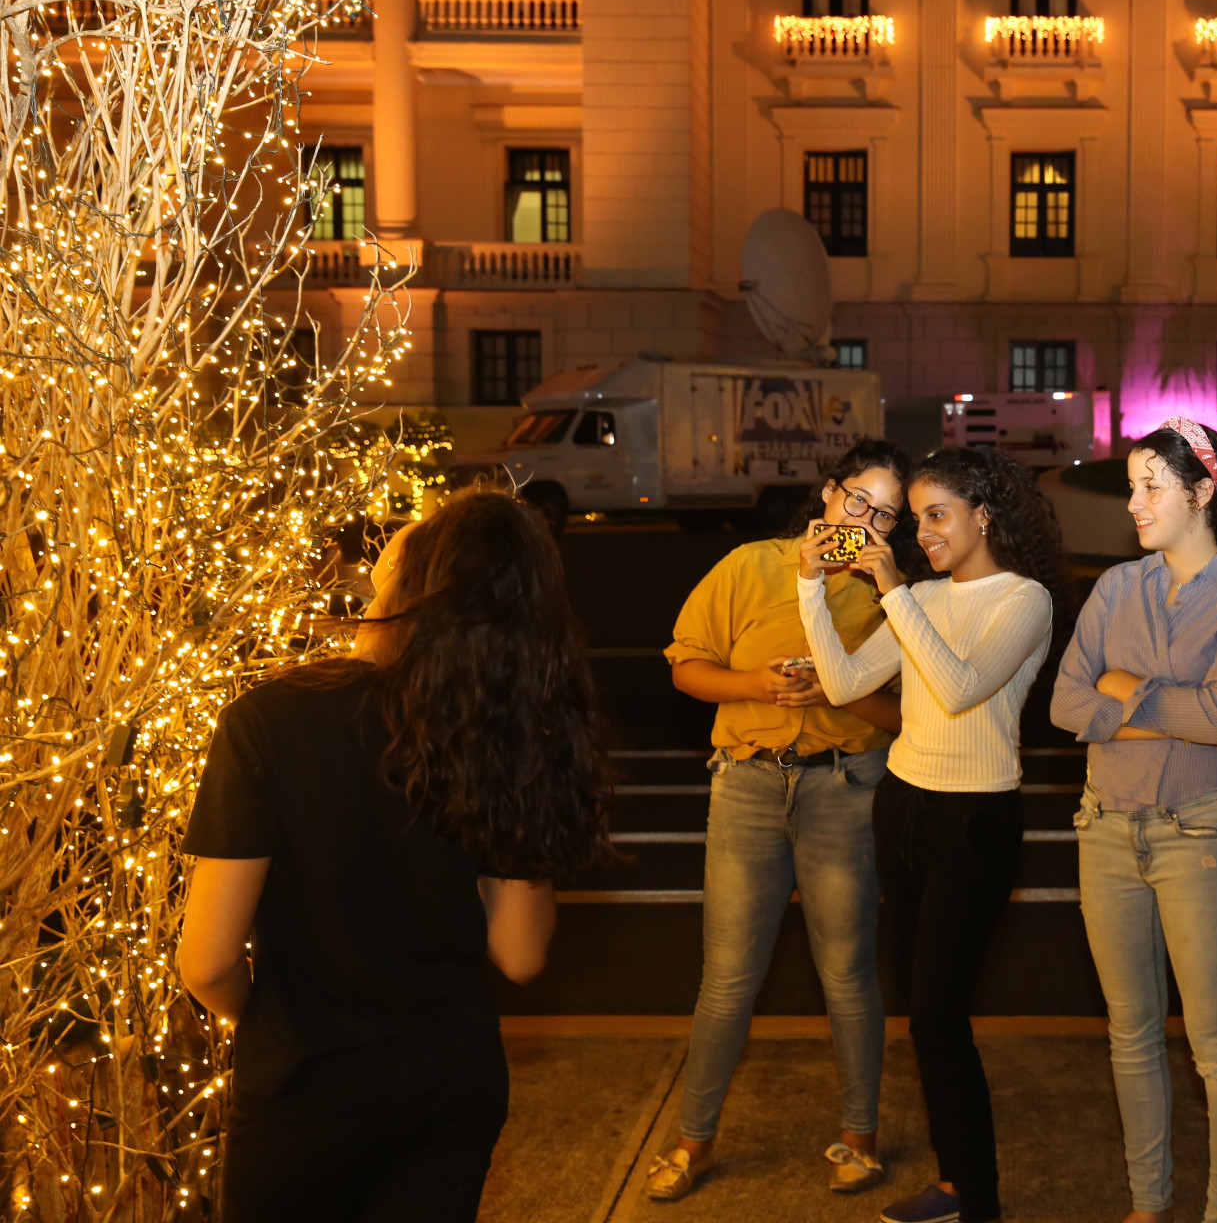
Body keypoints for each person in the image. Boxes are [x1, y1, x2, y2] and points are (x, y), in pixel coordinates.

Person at [177, 488, 610, 1223]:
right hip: (448, 1082)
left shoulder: (273, 719)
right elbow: (520, 955)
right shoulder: (506, 728)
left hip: (306, 1084)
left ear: (411, 589)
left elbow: (207, 962)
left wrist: (272, 1024)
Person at [795, 446, 1068, 1223]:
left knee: (940, 1016)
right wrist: (810, 586)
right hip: (904, 805)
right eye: (916, 519)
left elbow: (957, 687)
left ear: (984, 514)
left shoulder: (1024, 600)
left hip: (975, 819)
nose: (923, 533)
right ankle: (954, 1186)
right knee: (922, 1010)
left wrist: (892, 591)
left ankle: (975, 1200)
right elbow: (846, 683)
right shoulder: (922, 596)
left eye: (937, 514)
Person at [646, 439, 920, 1201]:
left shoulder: (892, 593)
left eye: (886, 516)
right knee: (727, 978)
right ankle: (693, 1141)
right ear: (828, 493)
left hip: (845, 786)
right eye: (858, 501)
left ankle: (859, 1139)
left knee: (848, 973)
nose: (865, 523)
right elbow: (686, 665)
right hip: (748, 782)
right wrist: (756, 683)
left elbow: (907, 717)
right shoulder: (750, 565)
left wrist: (837, 688)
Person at [1050, 418, 1217, 1223]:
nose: (1134, 503)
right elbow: (1064, 702)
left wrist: (1122, 691)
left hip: (1199, 834)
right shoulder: (1118, 587)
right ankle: (1148, 1205)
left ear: (1203, 491)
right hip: (1106, 826)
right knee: (1131, 1033)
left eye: (1152, 486)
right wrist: (1163, 709)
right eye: (1132, 486)